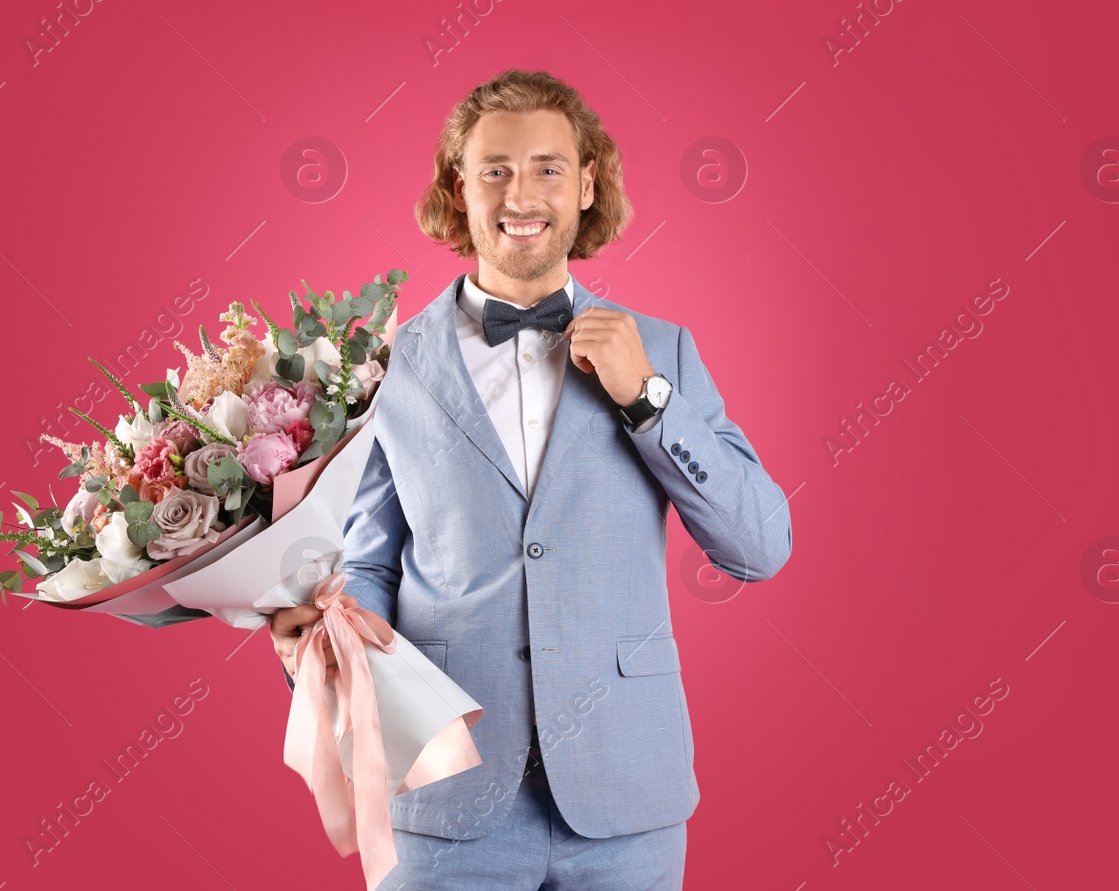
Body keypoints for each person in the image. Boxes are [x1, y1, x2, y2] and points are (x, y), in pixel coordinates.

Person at [269, 67, 794, 889]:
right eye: (496, 170)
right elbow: (367, 561)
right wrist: (330, 644)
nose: (523, 194)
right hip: (447, 793)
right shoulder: (381, 368)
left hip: (625, 800)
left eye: (549, 167)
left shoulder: (667, 352)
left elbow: (759, 546)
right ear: (458, 188)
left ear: (587, 185)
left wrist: (649, 400)